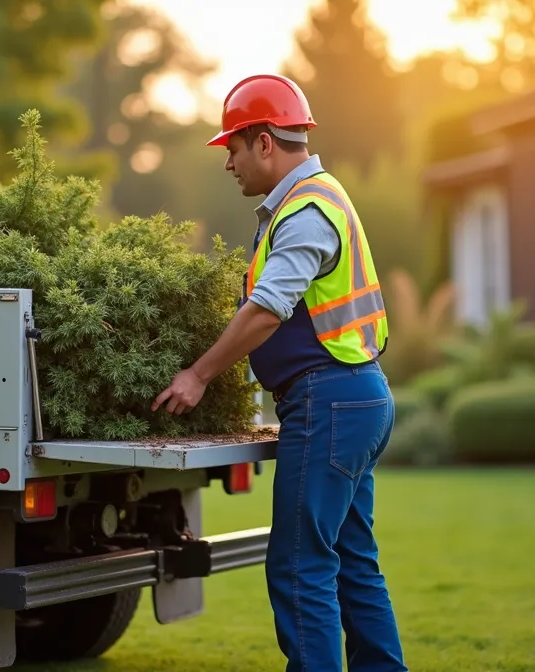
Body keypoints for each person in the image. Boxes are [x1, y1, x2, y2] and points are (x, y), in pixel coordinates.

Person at [152, 73, 407, 672]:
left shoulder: (307, 211)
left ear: (265, 141)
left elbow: (268, 309)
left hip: (332, 400)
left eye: (233, 148)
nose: (228, 163)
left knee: (299, 564)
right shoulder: (315, 200)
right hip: (355, 397)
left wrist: (200, 374)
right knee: (351, 560)